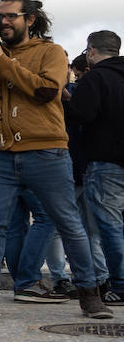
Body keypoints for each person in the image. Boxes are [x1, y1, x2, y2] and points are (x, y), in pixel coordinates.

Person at [0, 0, 111, 319]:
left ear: (29, 19)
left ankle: (89, 294)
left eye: (10, 16)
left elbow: (45, 92)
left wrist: (1, 60)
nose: (3, 23)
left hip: (46, 150)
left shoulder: (50, 52)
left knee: (68, 223)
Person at [64, 29, 124, 305]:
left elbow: (80, 115)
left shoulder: (96, 78)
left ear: (91, 51)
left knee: (110, 227)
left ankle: (121, 285)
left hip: (107, 162)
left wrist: (68, 102)